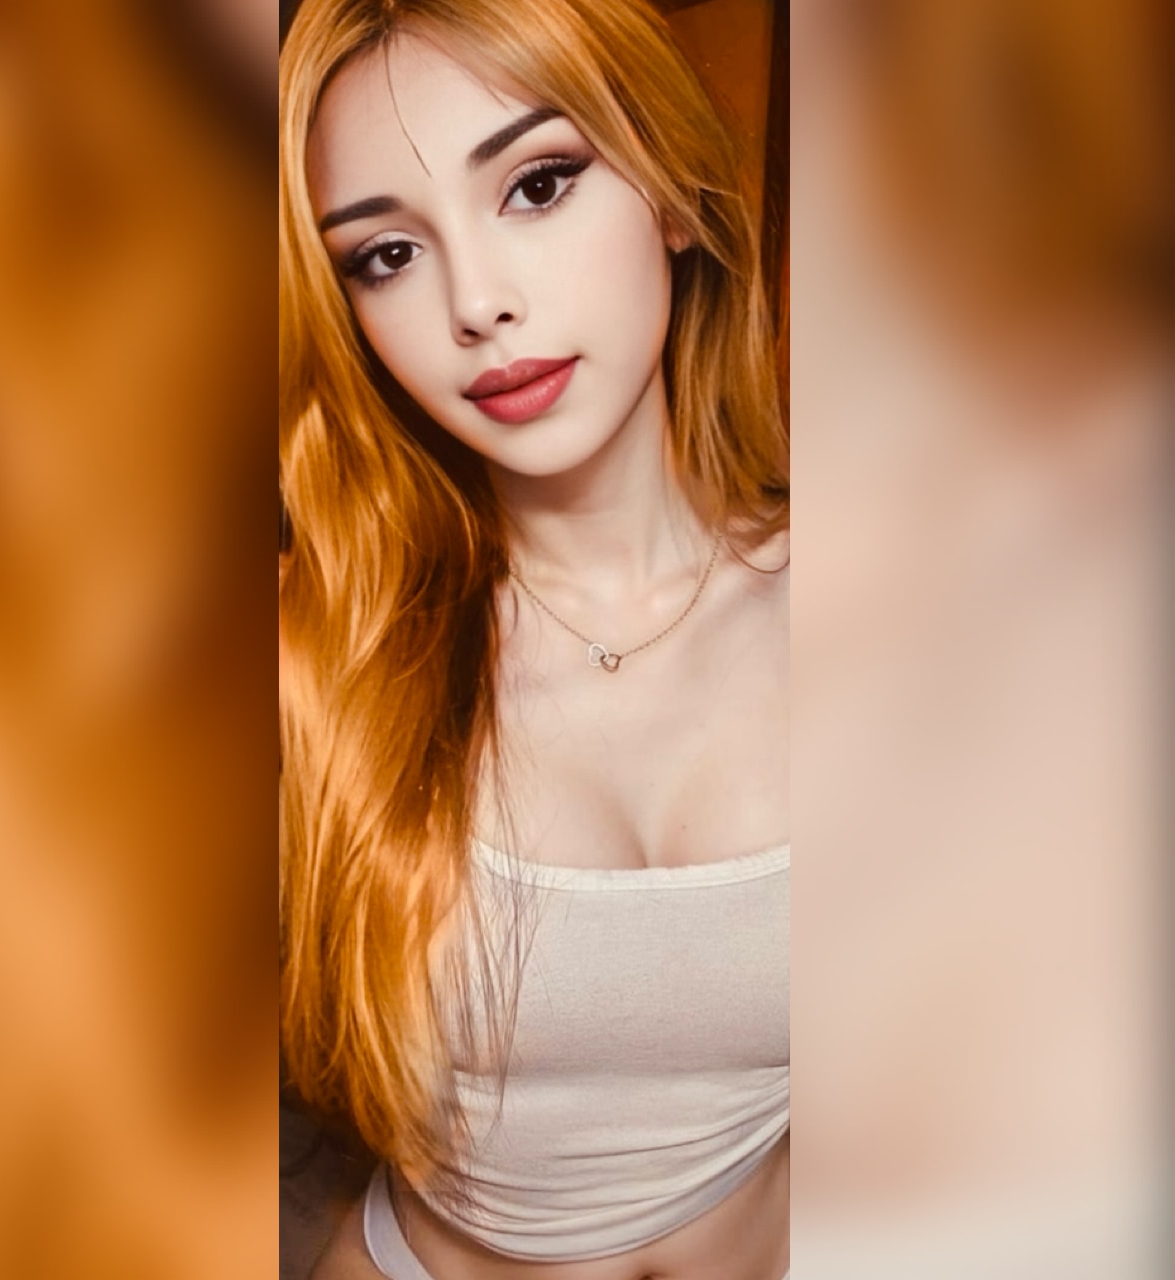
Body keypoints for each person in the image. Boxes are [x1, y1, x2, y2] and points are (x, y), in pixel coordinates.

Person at [278, 1, 789, 1276]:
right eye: (387, 253)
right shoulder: (317, 658)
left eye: (537, 183)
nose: (477, 304)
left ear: (670, 194)